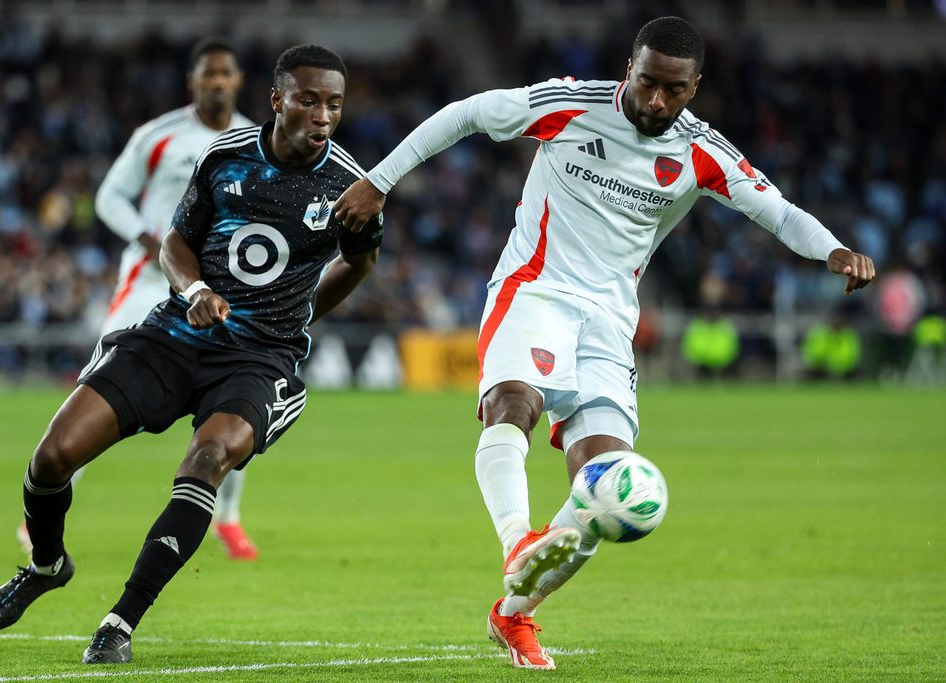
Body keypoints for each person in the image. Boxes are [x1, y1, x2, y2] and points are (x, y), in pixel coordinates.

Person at [334, 16, 875, 670]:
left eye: (673, 90)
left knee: (606, 485)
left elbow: (778, 210)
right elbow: (468, 112)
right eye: (646, 82)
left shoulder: (702, 151)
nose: (656, 101)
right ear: (629, 67)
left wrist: (834, 249)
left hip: (610, 321)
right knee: (513, 402)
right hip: (534, 287)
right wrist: (380, 179)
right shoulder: (569, 104)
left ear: (694, 87)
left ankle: (513, 614)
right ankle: (516, 540)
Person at [0, 44, 383, 665]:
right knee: (54, 455)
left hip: (260, 360)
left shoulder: (351, 186)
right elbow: (174, 241)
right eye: (308, 100)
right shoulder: (222, 158)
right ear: (277, 100)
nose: (322, 116)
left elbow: (359, 261)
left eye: (333, 104)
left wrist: (297, 319)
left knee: (210, 457)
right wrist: (194, 290)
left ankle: (120, 622)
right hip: (177, 334)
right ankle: (46, 565)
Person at [14, 37, 260, 560]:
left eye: (226, 74)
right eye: (208, 74)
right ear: (193, 80)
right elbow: (108, 197)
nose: (217, 82)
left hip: (217, 285)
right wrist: (148, 239)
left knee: (239, 392)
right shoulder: (159, 136)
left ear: (238, 81)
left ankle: (229, 518)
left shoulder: (254, 141)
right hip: (151, 277)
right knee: (101, 375)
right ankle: (53, 490)